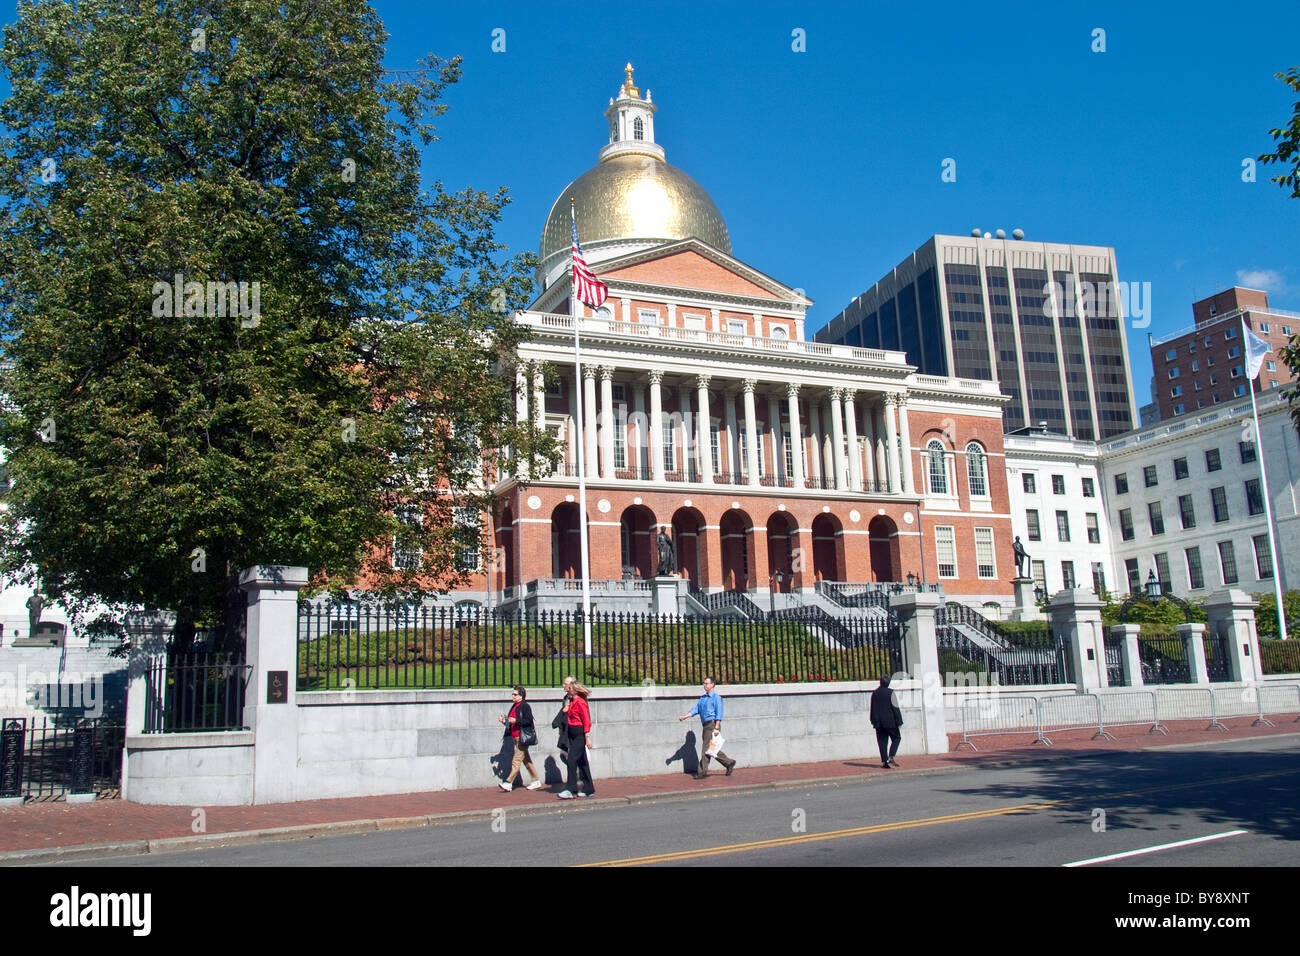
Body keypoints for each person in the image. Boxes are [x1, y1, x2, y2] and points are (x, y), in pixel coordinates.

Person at [678, 676, 736, 778]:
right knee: (711, 749)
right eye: (704, 683)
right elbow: (696, 709)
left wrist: (717, 727)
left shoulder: (716, 698)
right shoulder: (703, 698)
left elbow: (719, 712)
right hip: (705, 726)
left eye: (707, 683)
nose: (704, 685)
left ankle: (702, 771)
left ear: (712, 685)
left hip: (712, 725)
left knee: (706, 748)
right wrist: (685, 716)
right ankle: (729, 762)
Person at [497, 685, 543, 791]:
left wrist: (515, 720)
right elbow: (511, 723)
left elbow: (528, 721)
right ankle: (536, 780)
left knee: (516, 760)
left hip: (522, 738)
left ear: (521, 696)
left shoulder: (525, 706)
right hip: (515, 737)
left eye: (515, 694)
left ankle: (508, 783)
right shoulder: (514, 706)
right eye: (512, 694)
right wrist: (505, 721)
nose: (513, 696)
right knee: (526, 760)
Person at [557, 676, 594, 799]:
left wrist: (587, 737)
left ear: (576, 690)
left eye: (571, 688)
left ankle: (571, 788)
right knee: (582, 762)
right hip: (571, 733)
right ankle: (589, 788)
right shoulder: (571, 701)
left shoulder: (580, 702)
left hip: (579, 733)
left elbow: (586, 720)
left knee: (571, 759)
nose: (569, 689)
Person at [869, 675, 903, 768]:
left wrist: (872, 720)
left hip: (879, 722)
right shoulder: (890, 692)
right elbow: (895, 708)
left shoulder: (875, 693)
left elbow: (872, 708)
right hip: (890, 721)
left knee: (882, 742)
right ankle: (891, 756)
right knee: (897, 738)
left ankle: (885, 761)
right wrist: (899, 720)